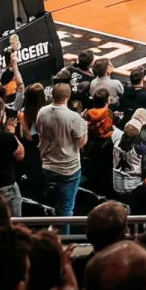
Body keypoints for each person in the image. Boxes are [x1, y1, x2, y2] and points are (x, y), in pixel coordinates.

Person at [35, 83, 87, 220]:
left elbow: (39, 131)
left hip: (47, 165)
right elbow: (81, 143)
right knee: (66, 209)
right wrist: (84, 126)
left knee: (53, 203)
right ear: (68, 97)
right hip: (68, 170)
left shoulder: (42, 112)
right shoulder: (74, 117)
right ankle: (63, 233)